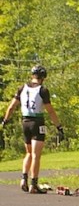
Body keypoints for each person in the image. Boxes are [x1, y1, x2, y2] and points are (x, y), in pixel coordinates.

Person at [1, 65, 64, 194]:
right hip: (37, 122)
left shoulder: (22, 88)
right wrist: (58, 126)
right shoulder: (43, 90)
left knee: (28, 153)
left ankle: (24, 179)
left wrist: (5, 121)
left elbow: (12, 106)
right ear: (42, 78)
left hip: (25, 122)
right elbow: (50, 111)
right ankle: (33, 184)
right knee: (36, 155)